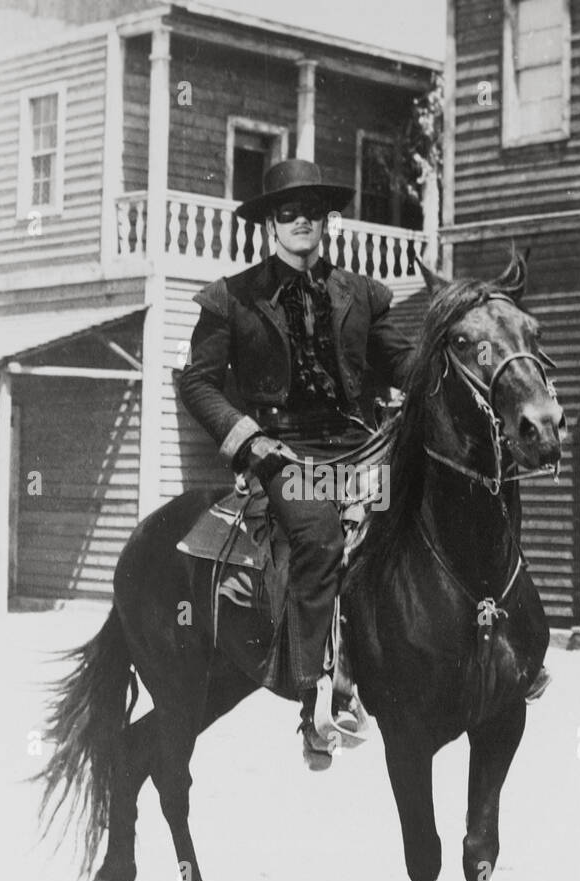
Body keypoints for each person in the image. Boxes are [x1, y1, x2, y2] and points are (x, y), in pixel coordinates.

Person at [177, 159, 415, 769]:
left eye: (313, 209)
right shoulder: (232, 299)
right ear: (270, 225)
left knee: (424, 513)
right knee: (316, 531)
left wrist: (457, 354)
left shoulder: (362, 294)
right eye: (288, 212)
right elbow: (198, 383)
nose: (302, 220)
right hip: (282, 450)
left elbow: (402, 366)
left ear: (326, 221)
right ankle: (315, 699)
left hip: (361, 446)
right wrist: (246, 438)